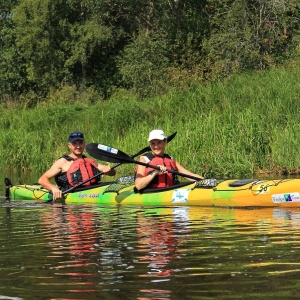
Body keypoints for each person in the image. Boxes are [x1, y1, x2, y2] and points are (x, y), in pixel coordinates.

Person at [38, 131, 116, 200]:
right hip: (71, 194)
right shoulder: (63, 162)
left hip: (92, 189)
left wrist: (109, 169)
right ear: (69, 145)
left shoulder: (89, 161)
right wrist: (54, 189)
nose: (78, 146)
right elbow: (42, 179)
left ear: (84, 144)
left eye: (80, 143)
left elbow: (112, 173)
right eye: (75, 143)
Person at [135, 129, 203, 191]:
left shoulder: (170, 159)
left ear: (165, 142)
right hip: (151, 194)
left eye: (159, 142)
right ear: (150, 145)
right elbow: (138, 185)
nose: (156, 146)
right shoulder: (144, 160)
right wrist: (155, 172)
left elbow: (189, 175)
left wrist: (205, 181)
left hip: (170, 192)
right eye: (153, 143)